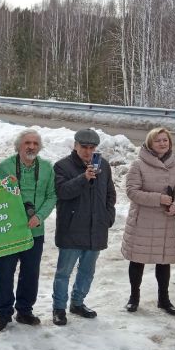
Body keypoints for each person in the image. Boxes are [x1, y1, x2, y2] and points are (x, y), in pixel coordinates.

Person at [0, 129, 56, 331]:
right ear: (19, 145)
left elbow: (52, 196)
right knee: (4, 272)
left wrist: (39, 216)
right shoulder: (4, 167)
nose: (31, 147)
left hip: (35, 230)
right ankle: (3, 313)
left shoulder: (47, 168)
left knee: (30, 273)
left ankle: (25, 310)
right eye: (27, 143)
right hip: (9, 231)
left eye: (35, 143)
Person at [51, 129, 116, 326]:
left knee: (87, 271)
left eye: (92, 148)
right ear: (75, 145)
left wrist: (107, 217)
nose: (88, 151)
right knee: (64, 272)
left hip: (96, 228)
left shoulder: (103, 165)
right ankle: (59, 308)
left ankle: (77, 303)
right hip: (72, 229)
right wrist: (84, 177)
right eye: (84, 147)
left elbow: (110, 194)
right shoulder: (62, 166)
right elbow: (62, 192)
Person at [121, 127, 175, 315]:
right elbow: (132, 191)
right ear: (150, 143)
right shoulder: (138, 164)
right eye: (158, 140)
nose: (162, 143)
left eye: (165, 140)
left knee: (164, 261)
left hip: (165, 220)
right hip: (142, 220)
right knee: (137, 260)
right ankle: (134, 298)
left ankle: (164, 300)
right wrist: (158, 199)